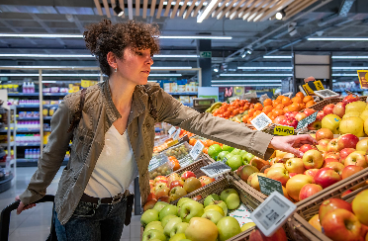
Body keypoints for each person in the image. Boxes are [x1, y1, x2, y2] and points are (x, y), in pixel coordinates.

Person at [16, 19, 316, 241]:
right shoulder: (77, 104)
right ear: (113, 60)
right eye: (140, 52)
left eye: (150, 52)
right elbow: (52, 156)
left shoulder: (151, 98)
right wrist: (33, 192)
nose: (150, 59)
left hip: (117, 208)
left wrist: (269, 140)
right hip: (80, 208)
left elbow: (202, 122)